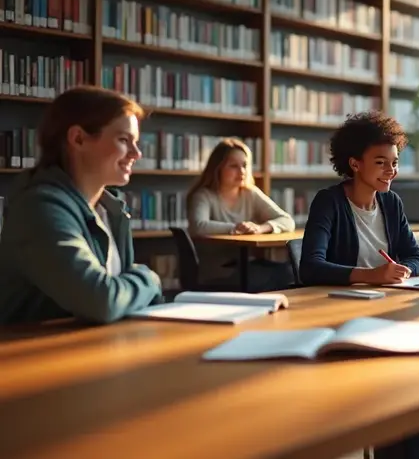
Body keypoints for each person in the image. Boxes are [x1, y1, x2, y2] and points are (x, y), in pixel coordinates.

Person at [0, 86, 162, 324]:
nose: (136, 153)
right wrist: (149, 278)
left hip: (99, 342)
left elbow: (122, 299)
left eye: (135, 142)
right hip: (36, 346)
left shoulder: (112, 209)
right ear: (78, 139)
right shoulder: (39, 209)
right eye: (123, 140)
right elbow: (101, 301)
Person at [299, 111, 419, 286]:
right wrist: (371, 275)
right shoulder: (329, 202)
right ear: (355, 164)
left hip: (386, 294)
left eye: (394, 163)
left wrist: (405, 270)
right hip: (340, 298)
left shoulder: (392, 202)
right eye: (380, 162)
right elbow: (310, 268)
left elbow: (416, 257)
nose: (391, 171)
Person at [187, 138, 296, 292]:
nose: (242, 171)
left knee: (291, 271)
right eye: (233, 166)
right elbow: (198, 226)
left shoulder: (250, 193)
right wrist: (237, 228)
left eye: (244, 165)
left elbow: (287, 220)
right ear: (217, 168)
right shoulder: (203, 195)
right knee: (284, 275)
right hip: (218, 272)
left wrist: (261, 228)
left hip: (246, 266)